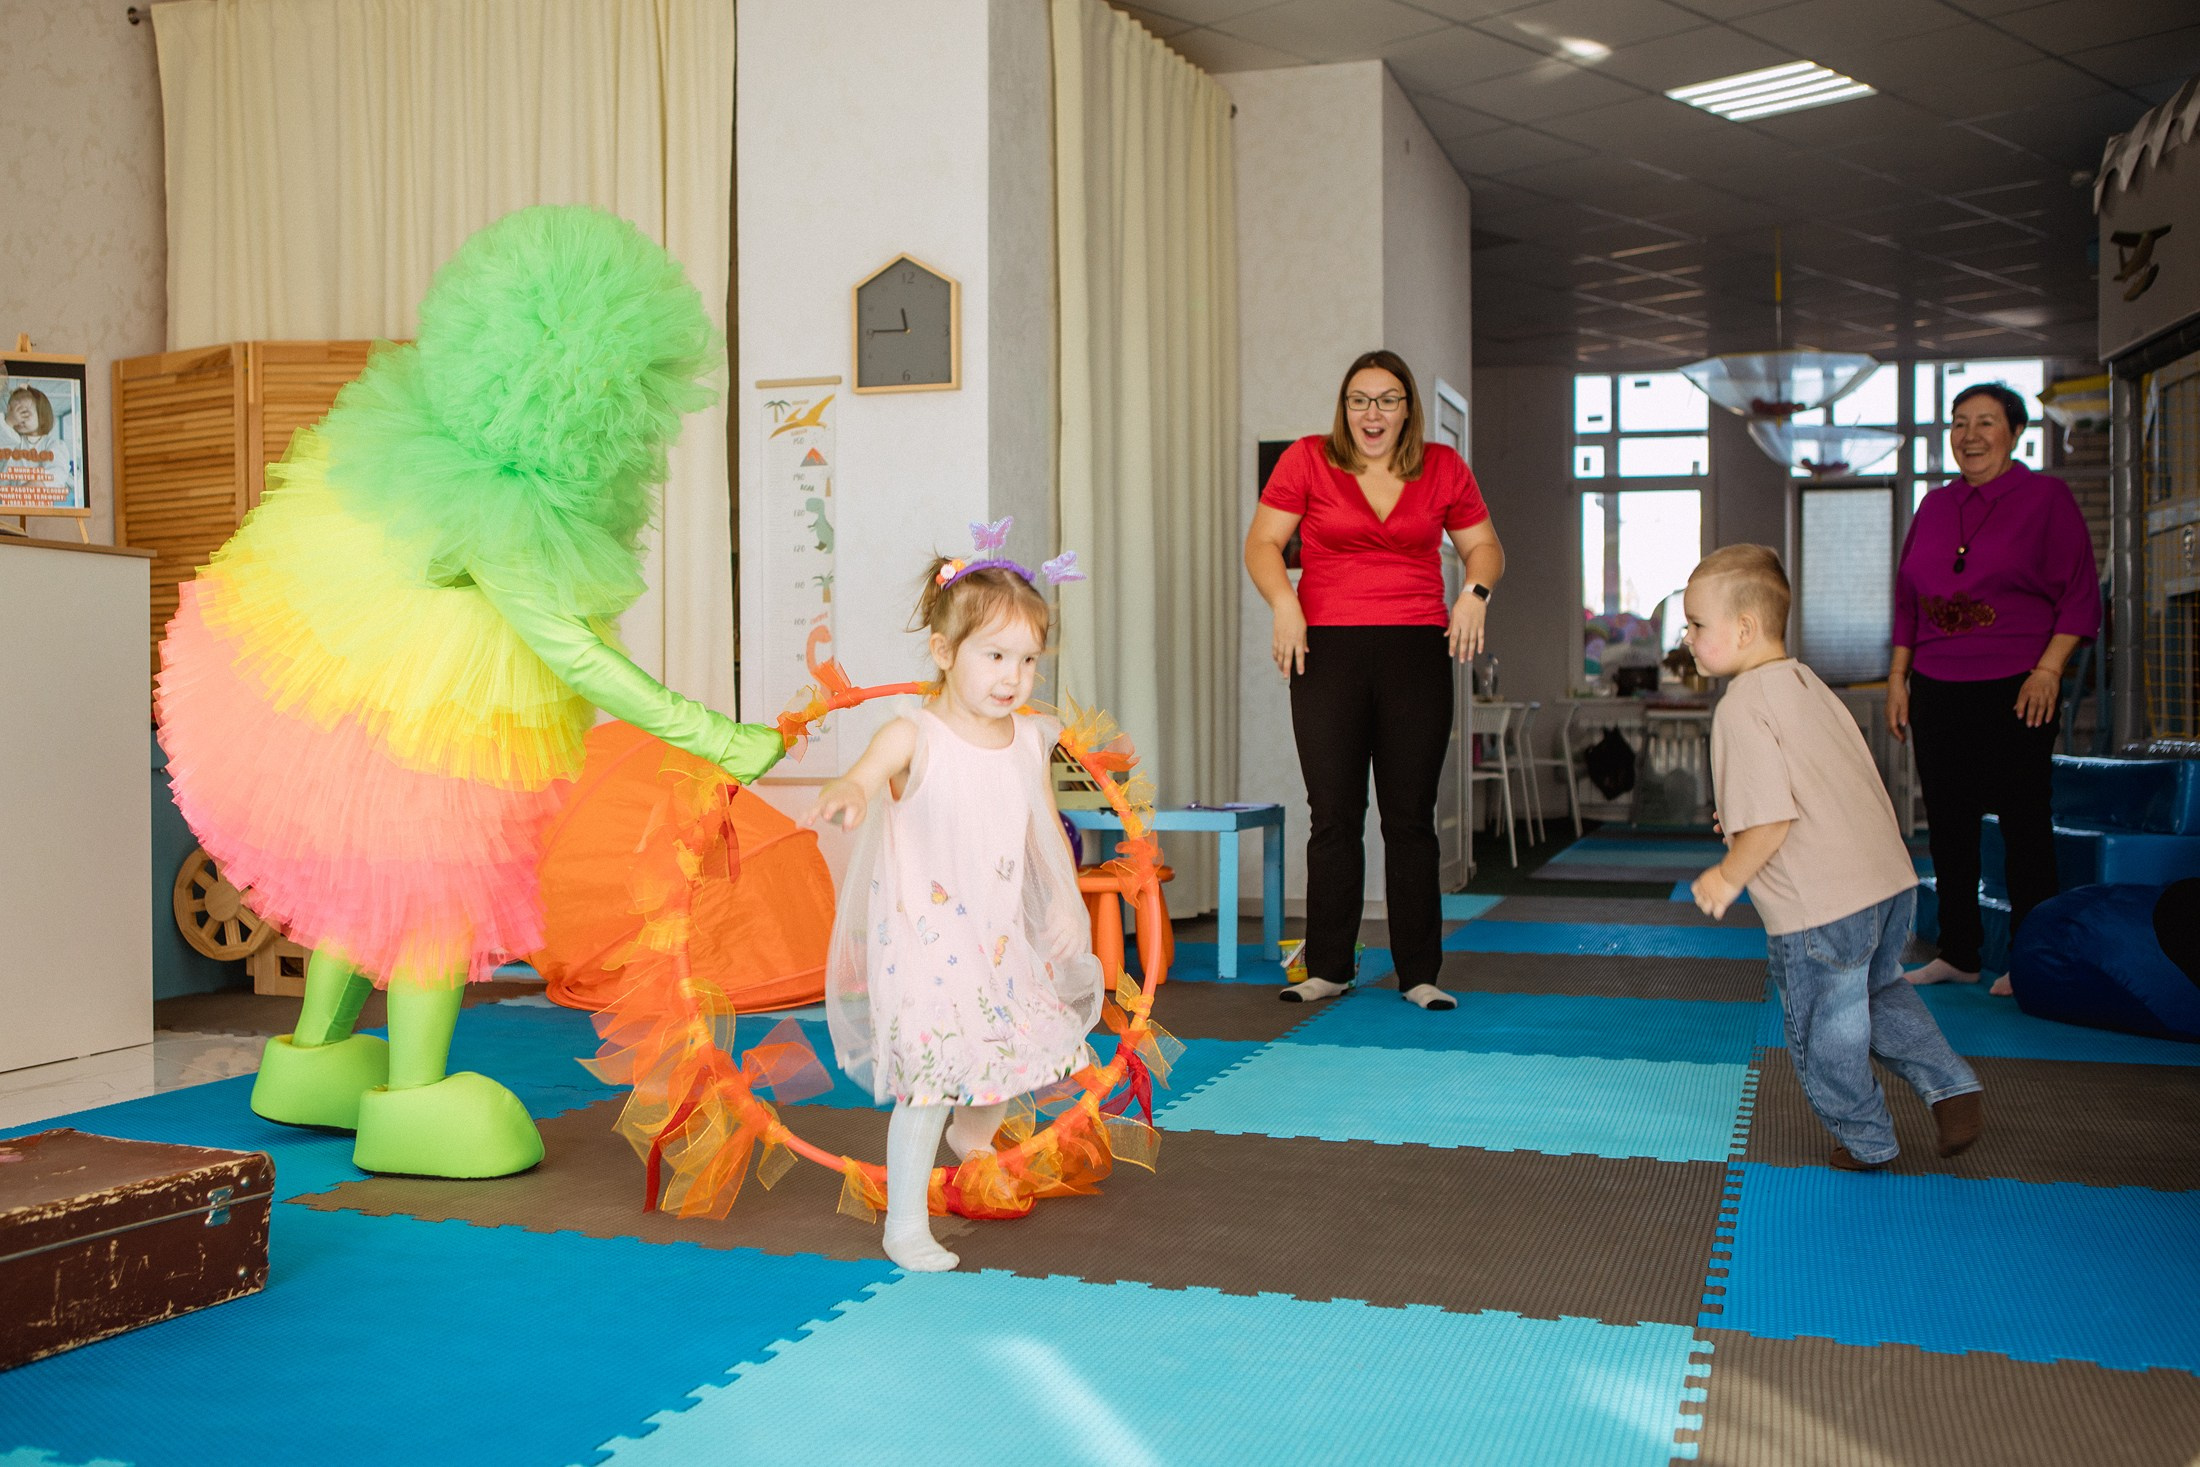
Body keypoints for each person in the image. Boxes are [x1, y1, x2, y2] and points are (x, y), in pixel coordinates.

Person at [156, 206, 789, 1179]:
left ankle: (314, 1061)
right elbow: (569, 648)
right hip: (437, 720)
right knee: (432, 902)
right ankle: (413, 1096)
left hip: (368, 696)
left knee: (371, 885)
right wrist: (714, 733)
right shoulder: (504, 503)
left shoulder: (425, 440)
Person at [806, 538, 1103, 1271]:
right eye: (994, 656)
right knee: (933, 1075)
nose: (1013, 676)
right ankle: (905, 1225)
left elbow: (1044, 831)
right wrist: (850, 790)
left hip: (998, 936)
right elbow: (867, 773)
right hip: (925, 944)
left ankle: (972, 1137)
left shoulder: (1029, 740)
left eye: (1028, 660)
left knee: (1011, 1048)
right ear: (944, 651)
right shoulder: (915, 733)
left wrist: (1068, 901)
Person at [1687, 546, 1982, 1171]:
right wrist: (1737, 821)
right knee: (1879, 994)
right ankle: (1951, 1085)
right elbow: (1822, 785)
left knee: (1826, 1030)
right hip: (1888, 883)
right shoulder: (1809, 685)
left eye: (1696, 624)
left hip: (1820, 904)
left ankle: (1867, 1140)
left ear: (1744, 628)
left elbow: (1772, 820)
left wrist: (1727, 874)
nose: (1686, 638)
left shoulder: (1740, 705)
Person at [1244, 349, 1503, 1011]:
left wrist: (1473, 594)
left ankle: (1419, 973)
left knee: (1409, 817)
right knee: (1333, 814)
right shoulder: (1308, 459)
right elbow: (1262, 543)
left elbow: (1484, 546)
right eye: (1360, 399)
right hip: (1326, 649)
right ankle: (1329, 966)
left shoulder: (1442, 467)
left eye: (1388, 399)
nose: (1372, 412)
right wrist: (1285, 604)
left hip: (1416, 649)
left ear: (1407, 408)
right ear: (1345, 406)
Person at [1887, 383, 2099, 995]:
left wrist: (2049, 670)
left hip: (2017, 685)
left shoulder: (2046, 498)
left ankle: (2032, 959)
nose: (1970, 435)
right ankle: (1959, 952)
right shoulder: (1934, 506)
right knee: (1947, 823)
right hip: (1936, 685)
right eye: (1959, 423)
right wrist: (1899, 678)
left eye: (1985, 422)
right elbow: (1908, 603)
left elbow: (2079, 593)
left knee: (2023, 823)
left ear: (2015, 432)